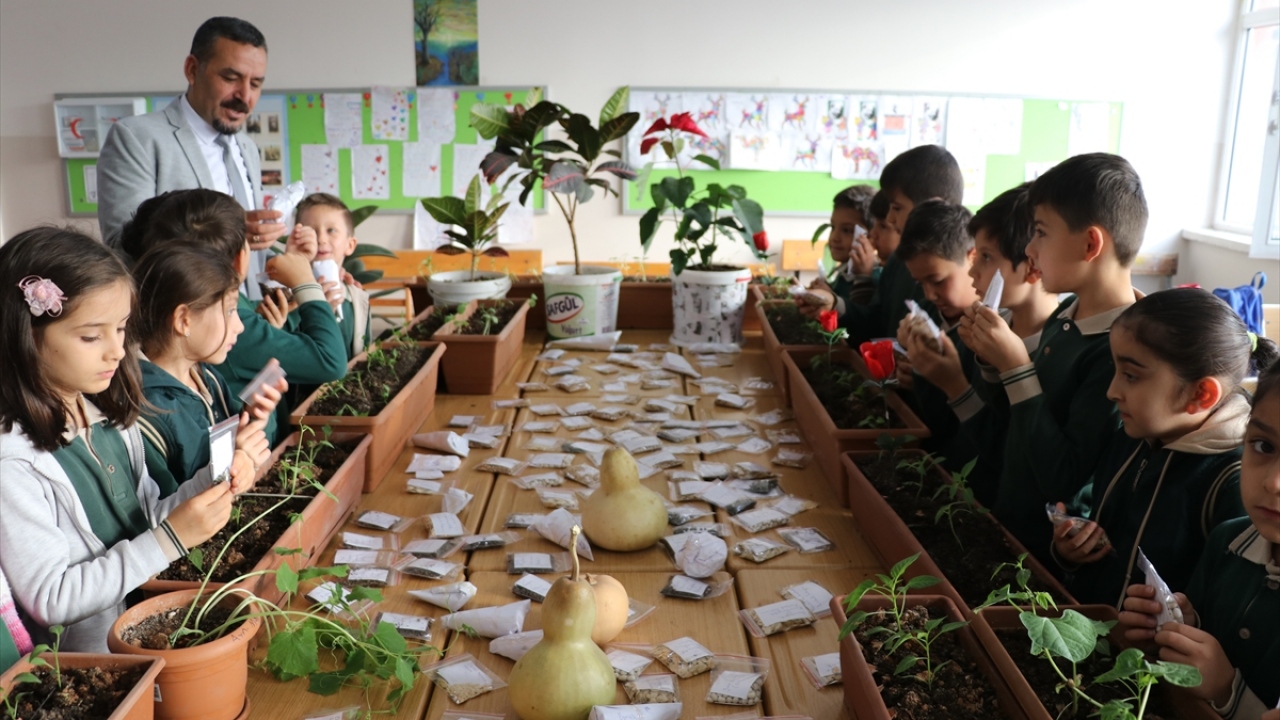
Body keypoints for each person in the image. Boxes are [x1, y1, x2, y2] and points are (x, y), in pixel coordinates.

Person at [0, 227, 235, 652]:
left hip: (146, 629)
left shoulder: (109, 418)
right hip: (94, 667)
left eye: (122, 329)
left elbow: (146, 521)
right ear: (26, 337)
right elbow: (51, 599)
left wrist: (212, 481)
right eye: (90, 336)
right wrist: (171, 539)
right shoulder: (13, 461)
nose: (115, 350)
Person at [1054, 289, 1274, 607]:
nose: (1113, 391)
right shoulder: (1131, 435)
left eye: (1131, 375)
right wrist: (1072, 551)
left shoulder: (1233, 480)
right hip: (1090, 626)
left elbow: (1224, 611)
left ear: (1201, 394)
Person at [985, 153, 1145, 566]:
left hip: (1047, 556)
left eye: (1040, 233)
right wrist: (991, 358)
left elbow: (1065, 477)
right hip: (1010, 524)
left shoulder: (1120, 352)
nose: (1029, 248)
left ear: (1091, 243)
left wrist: (1015, 367)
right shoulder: (1066, 313)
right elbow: (1021, 416)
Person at [1119, 356, 1280, 718]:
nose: (1273, 483)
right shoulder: (1229, 540)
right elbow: (1206, 641)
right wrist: (1177, 630)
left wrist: (1227, 690)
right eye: (1264, 446)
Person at [122, 189, 346, 443]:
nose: (237, 325)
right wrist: (305, 282)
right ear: (240, 259)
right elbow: (331, 361)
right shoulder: (220, 328)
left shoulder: (209, 360)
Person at [97, 17, 284, 300]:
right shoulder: (137, 137)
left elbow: (249, 245)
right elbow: (122, 246)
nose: (244, 96)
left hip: (249, 315)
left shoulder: (246, 147)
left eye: (256, 83)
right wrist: (223, 232)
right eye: (230, 78)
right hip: (181, 318)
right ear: (193, 69)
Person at [132, 244, 284, 496]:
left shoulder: (206, 376)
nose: (239, 327)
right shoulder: (146, 411)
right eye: (230, 310)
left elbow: (241, 453)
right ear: (184, 320)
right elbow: (176, 510)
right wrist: (237, 459)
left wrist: (254, 420)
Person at [951, 183, 1059, 505]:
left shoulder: (1057, 349)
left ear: (1032, 265)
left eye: (986, 257)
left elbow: (1016, 450)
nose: (972, 272)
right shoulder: (986, 328)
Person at [799, 145, 964, 345]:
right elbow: (876, 321)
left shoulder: (955, 273)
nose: (890, 218)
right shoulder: (897, 261)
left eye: (897, 208)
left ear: (932, 204)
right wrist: (834, 303)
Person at [892, 200, 980, 460]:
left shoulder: (989, 337)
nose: (930, 294)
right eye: (920, 283)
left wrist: (927, 379)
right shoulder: (925, 312)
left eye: (938, 281)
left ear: (973, 257)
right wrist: (908, 369)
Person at [294, 193, 372, 359]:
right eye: (312, 231)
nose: (321, 239)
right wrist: (318, 314)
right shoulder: (289, 299)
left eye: (331, 230)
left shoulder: (358, 299)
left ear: (350, 245)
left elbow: (365, 354)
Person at [810, 185, 876, 315]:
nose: (834, 237)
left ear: (872, 236)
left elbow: (860, 321)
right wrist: (826, 292)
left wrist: (831, 298)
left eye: (847, 230)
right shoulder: (845, 271)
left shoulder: (875, 277)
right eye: (833, 227)